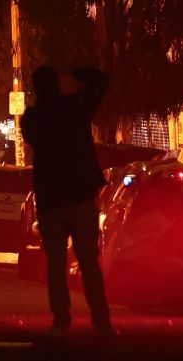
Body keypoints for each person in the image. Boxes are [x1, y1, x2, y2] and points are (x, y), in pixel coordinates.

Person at [20, 65, 114, 336]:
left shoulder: (33, 119)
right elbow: (100, 83)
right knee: (89, 263)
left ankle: (62, 319)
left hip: (51, 200)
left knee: (56, 264)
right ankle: (101, 321)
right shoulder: (75, 108)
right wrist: (76, 71)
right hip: (81, 196)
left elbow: (31, 135)